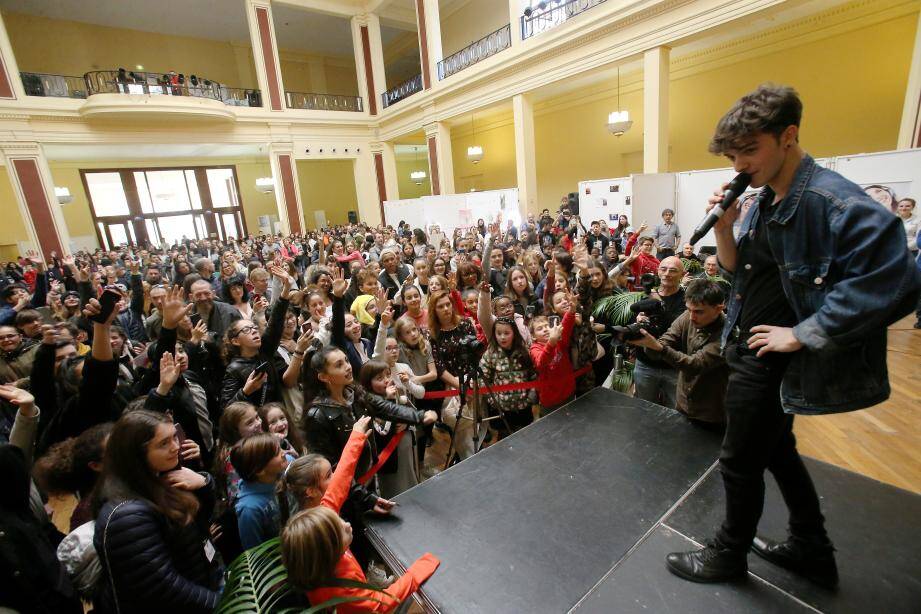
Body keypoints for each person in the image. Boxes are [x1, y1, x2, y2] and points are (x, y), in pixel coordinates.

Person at [665, 84, 921, 587]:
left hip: (768, 359)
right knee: (778, 452)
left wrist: (803, 332)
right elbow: (742, 273)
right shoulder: (762, 200)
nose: (739, 164)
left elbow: (900, 281)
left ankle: (728, 554)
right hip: (746, 344)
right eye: (732, 155)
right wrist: (725, 228)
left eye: (749, 151)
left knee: (738, 461)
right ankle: (811, 547)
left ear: (789, 136)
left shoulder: (831, 200)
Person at [281, 416, 439, 613]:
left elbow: (340, 480)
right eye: (340, 528)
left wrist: (356, 437)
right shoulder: (341, 580)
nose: (347, 525)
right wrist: (417, 572)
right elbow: (377, 605)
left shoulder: (319, 527)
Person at [93, 410, 221, 613]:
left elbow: (199, 519)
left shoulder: (160, 476)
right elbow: (164, 588)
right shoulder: (125, 516)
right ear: (136, 453)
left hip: (204, 579)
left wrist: (203, 484)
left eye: (174, 438)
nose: (176, 447)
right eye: (164, 443)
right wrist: (221, 605)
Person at [628, 279, 728, 427]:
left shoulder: (728, 334)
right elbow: (667, 339)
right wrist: (646, 340)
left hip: (710, 412)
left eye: (699, 312)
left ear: (719, 308)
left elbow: (695, 365)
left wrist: (659, 348)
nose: (692, 317)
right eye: (689, 309)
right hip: (683, 403)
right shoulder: (688, 315)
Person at [631, 257, 686, 409]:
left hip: (673, 365)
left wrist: (658, 304)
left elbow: (679, 325)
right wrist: (638, 319)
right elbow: (631, 323)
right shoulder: (644, 296)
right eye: (663, 269)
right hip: (645, 364)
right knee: (645, 408)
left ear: (682, 274)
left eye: (673, 270)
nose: (667, 274)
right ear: (657, 271)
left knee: (676, 411)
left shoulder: (687, 299)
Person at [231, 432, 288, 550]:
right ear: (259, 470)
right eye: (277, 453)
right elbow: (255, 554)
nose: (284, 453)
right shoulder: (250, 510)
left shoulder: (279, 474)